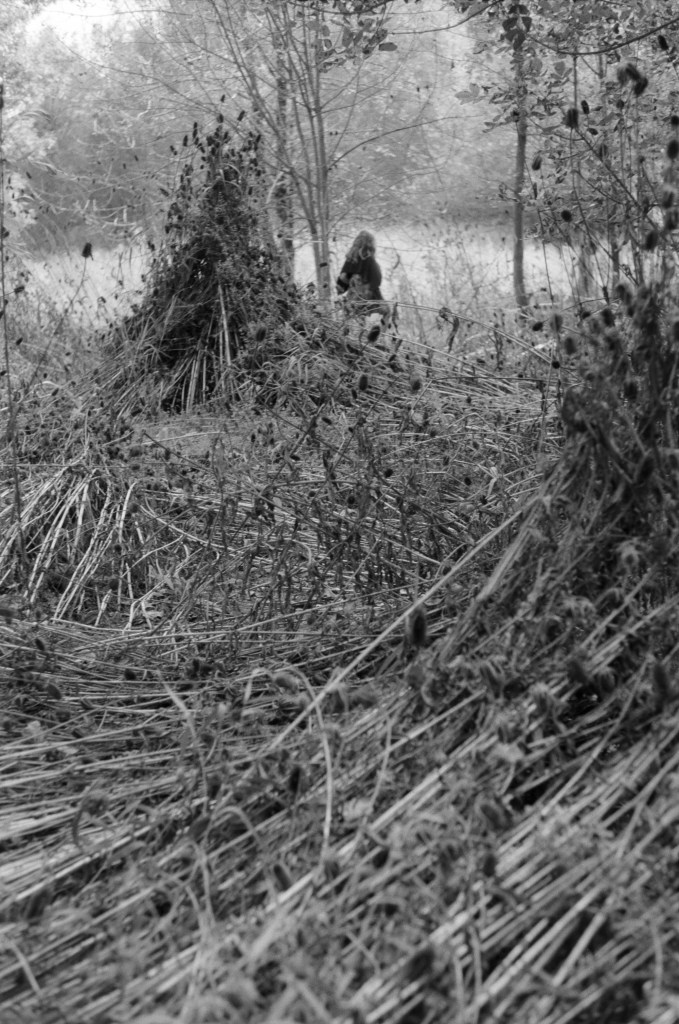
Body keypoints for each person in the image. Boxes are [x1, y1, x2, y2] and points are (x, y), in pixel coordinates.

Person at [336, 230, 391, 325]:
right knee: (386, 312)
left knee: (355, 323)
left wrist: (348, 286)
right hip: (369, 299)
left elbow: (341, 283)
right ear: (370, 244)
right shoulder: (370, 260)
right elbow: (377, 280)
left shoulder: (350, 259)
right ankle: (379, 333)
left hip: (352, 300)